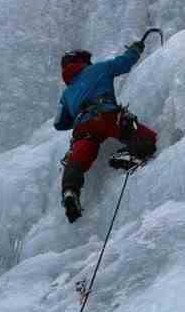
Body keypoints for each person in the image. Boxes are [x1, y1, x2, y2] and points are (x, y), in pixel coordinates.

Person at [54, 42, 157, 223]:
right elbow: (125, 62)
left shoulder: (67, 93)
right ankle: (127, 156)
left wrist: (76, 103)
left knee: (77, 161)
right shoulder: (99, 69)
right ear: (83, 61)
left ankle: (70, 191)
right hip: (106, 115)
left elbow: (59, 124)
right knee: (147, 139)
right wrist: (136, 49)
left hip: (82, 128)